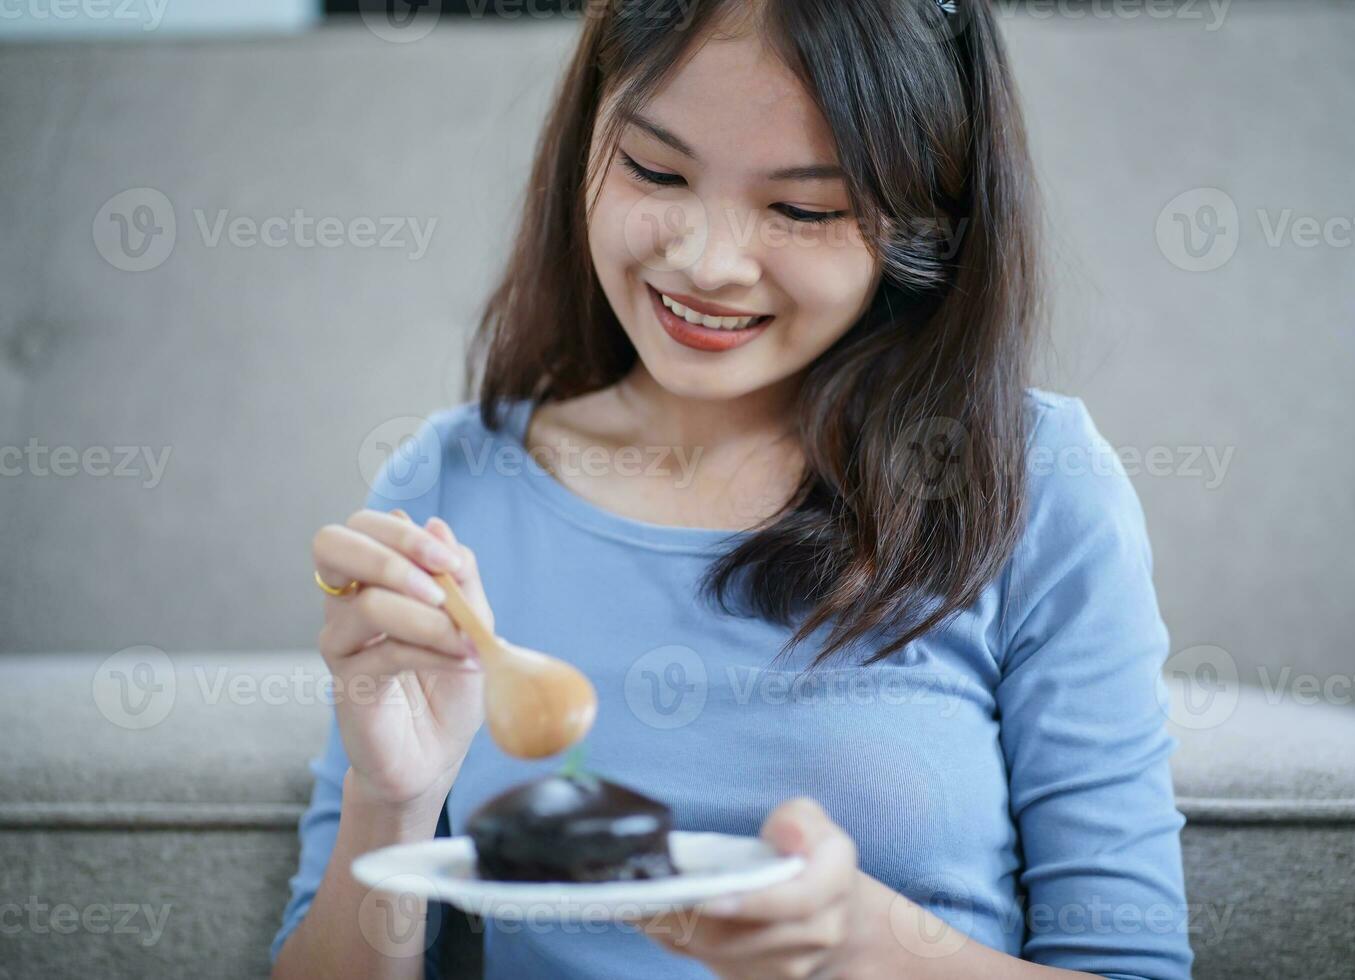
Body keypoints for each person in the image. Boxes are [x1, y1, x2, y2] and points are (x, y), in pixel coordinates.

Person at [270, 0, 1195, 977]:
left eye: (802, 208)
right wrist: (394, 799)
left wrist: (870, 948)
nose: (706, 263)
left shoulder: (1035, 482)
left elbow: (1131, 964)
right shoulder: (451, 484)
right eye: (655, 171)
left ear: (927, 220)